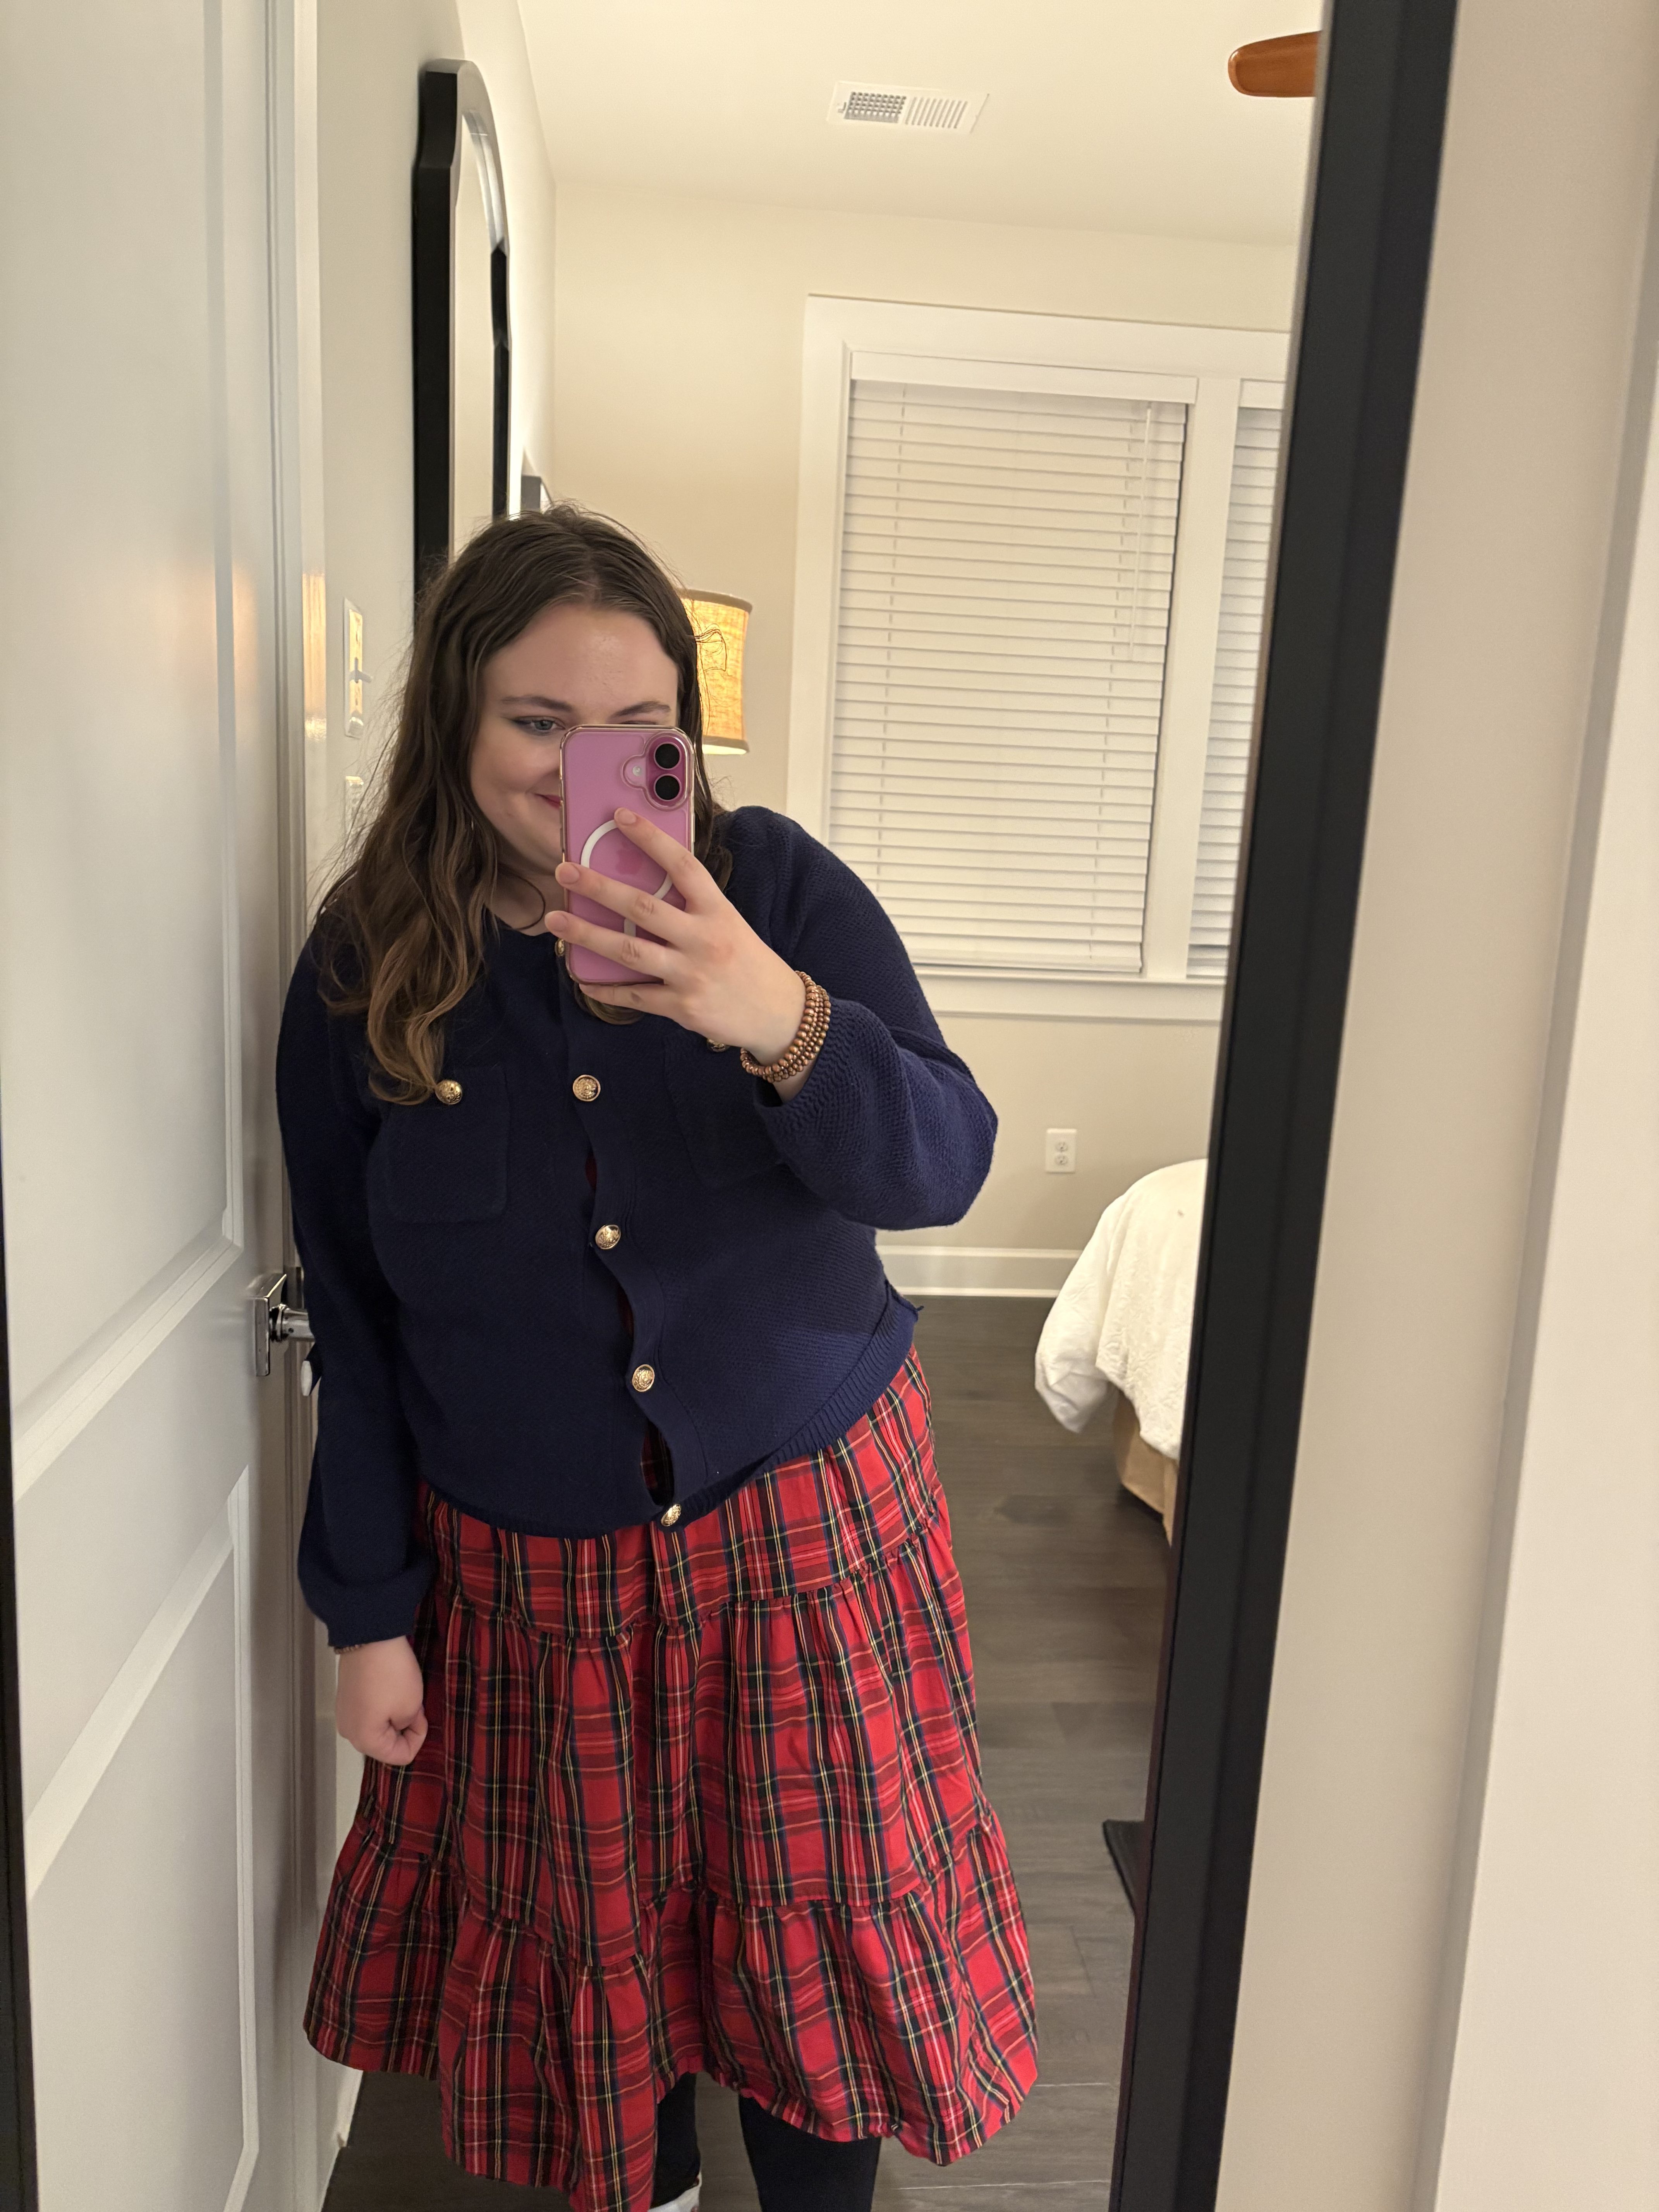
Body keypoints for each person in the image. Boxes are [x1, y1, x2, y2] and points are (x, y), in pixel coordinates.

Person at [276, 506, 1037, 2212]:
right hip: (530, 1587)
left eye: (633, 728)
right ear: (454, 716)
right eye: (536, 722)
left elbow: (941, 1167)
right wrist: (369, 1611)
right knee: (598, 1976)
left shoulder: (776, 894)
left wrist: (774, 1014)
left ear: (683, 739)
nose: (580, 769)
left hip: (806, 1543)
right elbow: (354, 1306)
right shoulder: (362, 965)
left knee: (814, 1960)